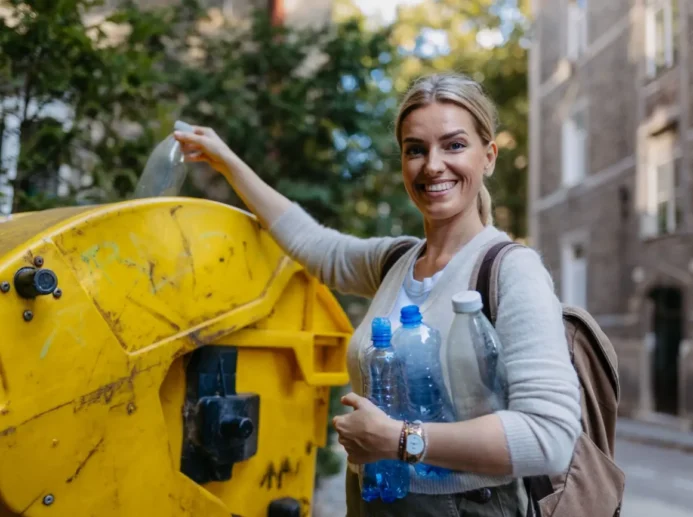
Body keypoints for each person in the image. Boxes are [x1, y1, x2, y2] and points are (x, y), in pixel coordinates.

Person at [174, 72, 581, 516]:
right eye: (416, 150)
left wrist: (399, 439)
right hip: (377, 502)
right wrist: (226, 161)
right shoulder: (397, 262)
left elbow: (550, 437)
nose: (433, 165)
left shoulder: (511, 271)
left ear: (489, 156)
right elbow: (315, 245)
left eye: (454, 145)